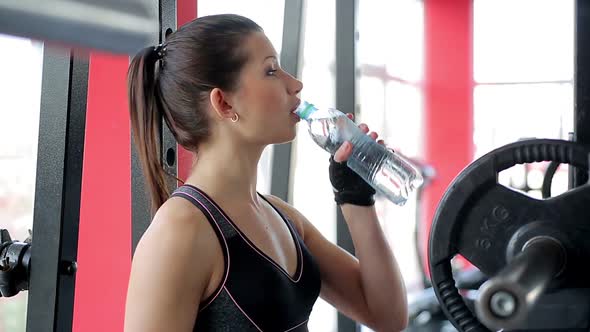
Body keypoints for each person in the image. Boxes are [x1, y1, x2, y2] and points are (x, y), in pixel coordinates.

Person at [124, 14, 408, 332]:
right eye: (271, 70)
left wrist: (355, 198)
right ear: (225, 103)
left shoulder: (282, 216)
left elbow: (387, 317)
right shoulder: (180, 231)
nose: (295, 84)